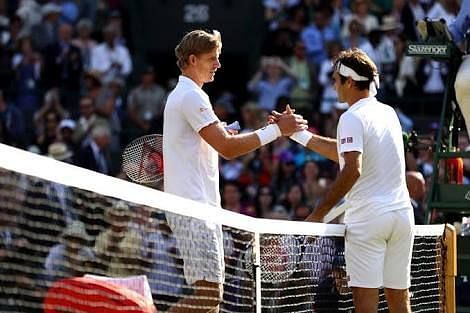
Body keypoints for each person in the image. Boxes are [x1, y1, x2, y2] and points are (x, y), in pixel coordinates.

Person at [163, 29, 307, 313]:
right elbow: (228, 149)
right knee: (209, 296)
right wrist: (277, 130)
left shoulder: (188, 95)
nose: (218, 65)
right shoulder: (192, 97)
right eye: (212, 59)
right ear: (192, 60)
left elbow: (219, 143)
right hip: (193, 208)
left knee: (210, 302)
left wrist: (227, 133)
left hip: (198, 207)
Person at [276, 48, 414, 313]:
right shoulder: (388, 113)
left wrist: (317, 214)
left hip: (369, 221)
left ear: (349, 82)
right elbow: (342, 152)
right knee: (400, 304)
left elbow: (352, 168)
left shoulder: (351, 117)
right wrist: (298, 135)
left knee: (365, 308)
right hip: (401, 218)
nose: (333, 84)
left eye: (335, 79)